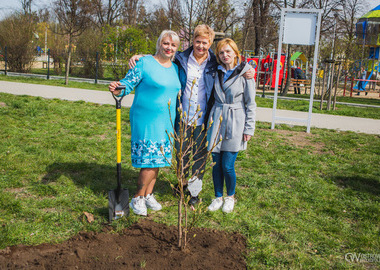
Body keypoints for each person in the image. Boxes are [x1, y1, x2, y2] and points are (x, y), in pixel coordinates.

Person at [129, 25, 255, 206]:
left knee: (199, 158)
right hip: (182, 116)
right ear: (193, 40)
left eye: (205, 43)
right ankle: (182, 186)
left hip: (205, 119)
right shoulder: (180, 58)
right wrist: (141, 56)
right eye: (198, 42)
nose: (201, 46)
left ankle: (194, 193)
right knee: (182, 156)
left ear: (210, 43)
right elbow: (161, 57)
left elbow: (235, 66)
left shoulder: (215, 62)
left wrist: (250, 70)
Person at [108, 30, 181, 216]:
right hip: (146, 119)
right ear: (159, 43)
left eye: (173, 45)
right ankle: (137, 198)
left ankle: (148, 194)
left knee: (159, 159)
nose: (169, 47)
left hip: (166, 120)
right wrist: (118, 89)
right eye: (166, 43)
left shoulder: (175, 68)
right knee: (148, 160)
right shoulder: (145, 63)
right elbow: (128, 83)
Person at [207, 38, 256, 213]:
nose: (225, 55)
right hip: (217, 118)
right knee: (216, 164)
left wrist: (249, 128)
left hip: (236, 120)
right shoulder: (215, 71)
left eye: (228, 51)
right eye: (221, 52)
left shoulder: (245, 72)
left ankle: (230, 197)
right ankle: (218, 197)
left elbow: (251, 103)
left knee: (228, 165)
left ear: (236, 52)